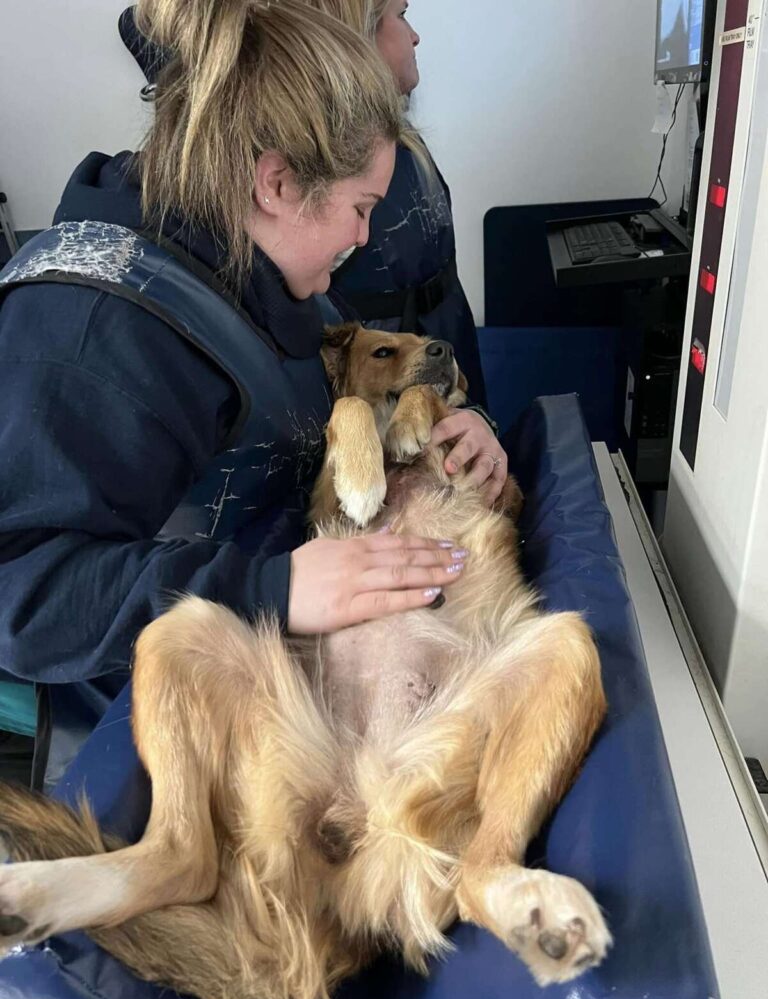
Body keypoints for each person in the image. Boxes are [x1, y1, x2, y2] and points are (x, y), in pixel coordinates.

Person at [0, 0, 499, 789]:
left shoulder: (257, 269)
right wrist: (273, 588)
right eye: (361, 209)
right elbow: (22, 594)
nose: (366, 239)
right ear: (276, 182)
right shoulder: (93, 340)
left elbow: (349, 373)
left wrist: (447, 411)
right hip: (142, 738)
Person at [308, 0, 507, 500]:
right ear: (359, 34)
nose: (415, 36)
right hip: (385, 399)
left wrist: (468, 414)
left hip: (444, 338)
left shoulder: (400, 139)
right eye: (401, 15)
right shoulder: (332, 170)